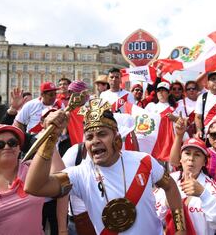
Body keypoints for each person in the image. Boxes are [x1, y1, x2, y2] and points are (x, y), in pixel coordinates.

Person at [24, 98, 187, 235]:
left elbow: (171, 186)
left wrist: (180, 228)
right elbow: (34, 187)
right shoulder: (79, 174)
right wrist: (51, 138)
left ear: (117, 139)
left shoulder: (144, 161)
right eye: (89, 137)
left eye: (102, 134)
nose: (95, 141)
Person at [0, 121, 67, 234]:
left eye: (12, 143)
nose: (7, 147)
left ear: (19, 148)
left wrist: (51, 136)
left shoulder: (32, 169)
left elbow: (62, 178)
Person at [155, 133, 216, 234]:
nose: (191, 158)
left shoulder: (210, 187)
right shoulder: (169, 181)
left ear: (204, 162)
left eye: (197, 155)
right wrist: (165, 203)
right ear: (180, 159)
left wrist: (203, 194)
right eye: (187, 153)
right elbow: (152, 215)